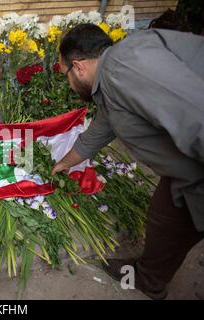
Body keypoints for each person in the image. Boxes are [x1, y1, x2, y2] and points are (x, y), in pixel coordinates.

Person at [51, 24, 204, 299]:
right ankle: (149, 279)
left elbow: (197, 118)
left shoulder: (126, 66)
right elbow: (100, 129)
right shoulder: (112, 80)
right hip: (187, 171)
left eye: (66, 76)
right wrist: (64, 163)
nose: (69, 85)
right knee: (165, 215)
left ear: (78, 67)